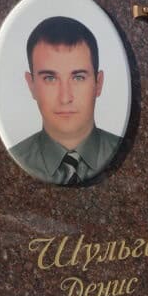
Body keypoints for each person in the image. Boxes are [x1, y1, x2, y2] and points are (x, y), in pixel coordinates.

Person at [10, 16, 121, 184]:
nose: (65, 98)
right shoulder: (11, 161)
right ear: (31, 85)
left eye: (78, 78)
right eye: (50, 78)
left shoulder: (127, 152)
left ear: (98, 84)